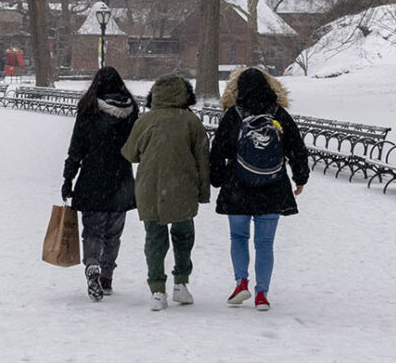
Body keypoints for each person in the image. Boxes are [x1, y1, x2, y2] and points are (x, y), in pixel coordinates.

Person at [209, 66, 309, 311]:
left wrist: (217, 178)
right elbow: (296, 147)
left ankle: (241, 282)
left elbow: (217, 151)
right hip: (272, 186)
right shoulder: (279, 114)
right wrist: (300, 177)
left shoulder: (234, 114)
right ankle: (262, 293)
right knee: (265, 243)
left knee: (238, 237)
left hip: (237, 186)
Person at [121, 73, 210, 311]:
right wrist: (203, 193)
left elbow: (130, 154)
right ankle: (181, 283)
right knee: (183, 236)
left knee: (154, 239)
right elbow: (203, 159)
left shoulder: (145, 120)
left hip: (149, 188)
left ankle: (157, 290)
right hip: (183, 187)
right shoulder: (192, 122)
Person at [61, 67, 139, 301]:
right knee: (113, 233)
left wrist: (68, 177)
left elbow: (77, 148)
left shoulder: (89, 110)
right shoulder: (131, 111)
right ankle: (106, 275)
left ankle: (92, 265)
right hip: (121, 178)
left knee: (93, 230)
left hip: (93, 177)